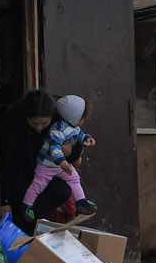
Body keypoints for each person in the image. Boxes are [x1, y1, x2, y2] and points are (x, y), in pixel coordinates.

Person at [14, 91, 96, 230]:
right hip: (47, 165)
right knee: (38, 186)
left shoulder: (71, 128)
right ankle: (26, 206)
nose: (40, 128)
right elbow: (54, 147)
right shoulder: (56, 129)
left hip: (59, 167)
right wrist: (63, 161)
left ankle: (81, 202)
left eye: (43, 123)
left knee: (74, 178)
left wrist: (85, 139)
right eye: (35, 123)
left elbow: (78, 143)